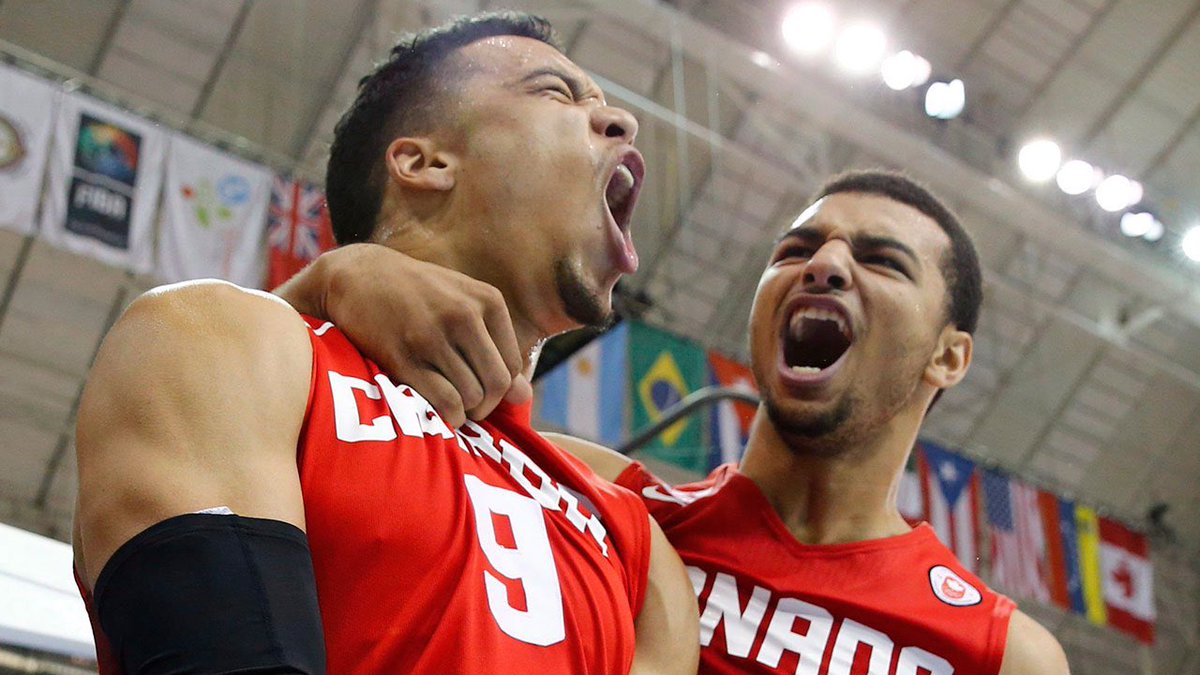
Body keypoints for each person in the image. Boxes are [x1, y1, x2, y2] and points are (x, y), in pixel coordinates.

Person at [72, 12, 698, 674]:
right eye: (557, 92)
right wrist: (330, 279)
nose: (620, 121)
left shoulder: (634, 540)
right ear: (424, 162)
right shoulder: (216, 339)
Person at [281, 170, 1071, 674]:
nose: (824, 265)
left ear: (949, 356)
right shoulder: (592, 496)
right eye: (796, 248)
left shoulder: (1004, 654)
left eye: (882, 261)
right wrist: (342, 272)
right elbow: (290, 421)